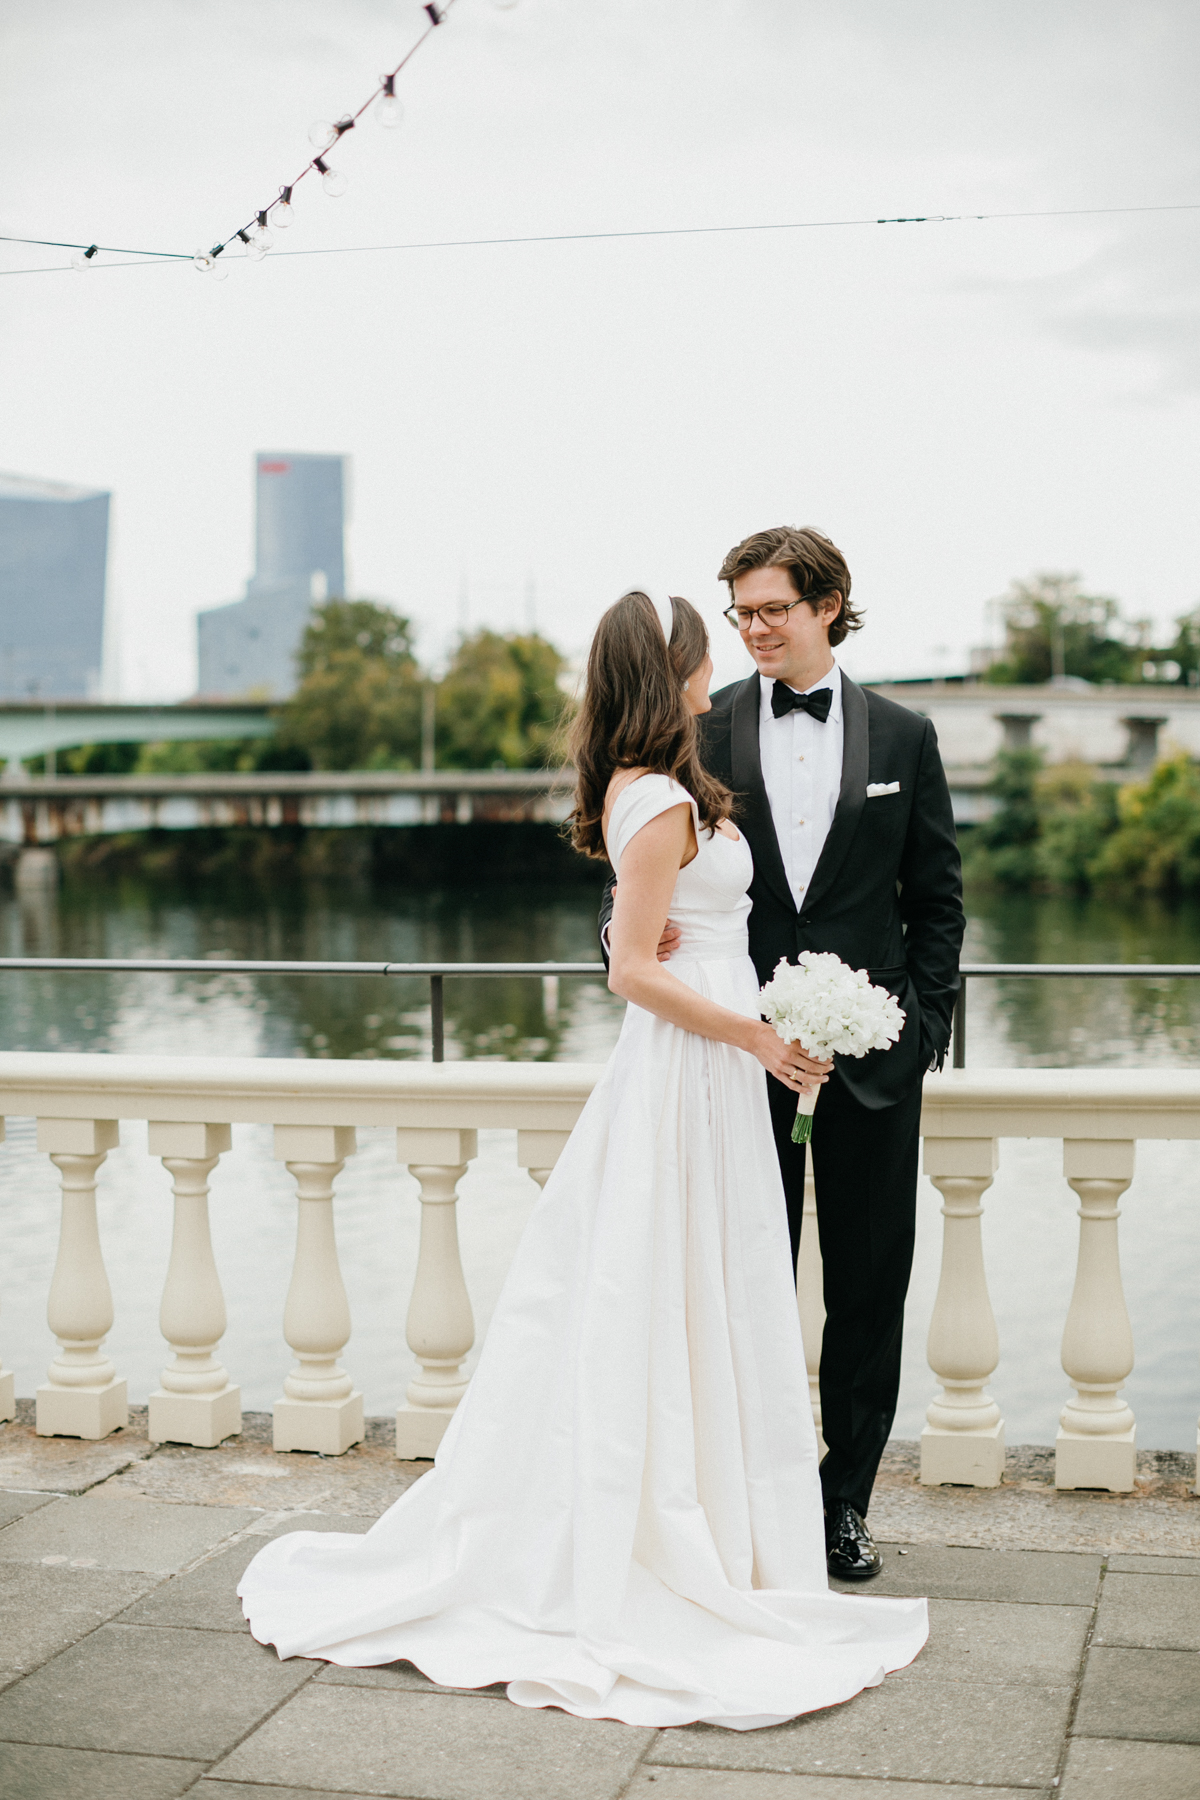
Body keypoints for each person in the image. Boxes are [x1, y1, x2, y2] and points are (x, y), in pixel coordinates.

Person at [238, 588, 927, 1730]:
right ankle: (661, 1525)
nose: (721, 674)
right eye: (707, 657)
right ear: (679, 677)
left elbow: (646, 930)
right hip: (698, 1062)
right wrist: (757, 1031)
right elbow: (630, 973)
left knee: (697, 1281)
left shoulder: (658, 786)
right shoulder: (658, 795)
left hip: (705, 1062)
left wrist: (691, 965)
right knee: (669, 1282)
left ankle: (712, 1509)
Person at [600, 528, 964, 1583]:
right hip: (728, 1061)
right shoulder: (695, 728)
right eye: (741, 614)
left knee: (865, 1289)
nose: (754, 629)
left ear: (829, 605)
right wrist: (618, 944)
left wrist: (919, 1031)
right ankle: (740, 1503)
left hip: (871, 1065)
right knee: (733, 1280)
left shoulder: (905, 736)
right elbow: (639, 869)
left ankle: (841, 1504)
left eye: (772, 609)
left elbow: (936, 904)